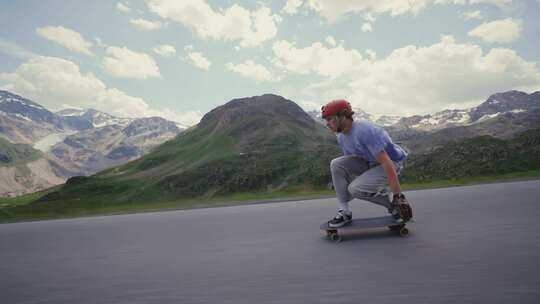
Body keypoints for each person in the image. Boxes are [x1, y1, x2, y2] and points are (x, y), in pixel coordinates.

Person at [321, 99, 413, 228]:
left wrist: (398, 195)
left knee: (355, 189)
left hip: (391, 163)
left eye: (330, 119)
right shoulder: (341, 136)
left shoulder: (364, 130)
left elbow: (386, 162)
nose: (327, 124)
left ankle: (392, 205)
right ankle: (345, 212)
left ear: (343, 116)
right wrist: (349, 189)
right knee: (336, 164)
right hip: (370, 162)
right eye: (326, 120)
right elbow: (350, 161)